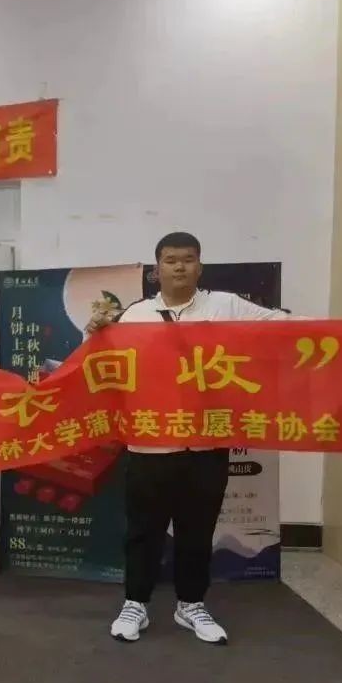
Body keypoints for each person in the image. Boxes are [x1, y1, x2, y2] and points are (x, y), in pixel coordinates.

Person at [87, 232, 292, 646]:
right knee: (143, 531)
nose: (179, 266)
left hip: (206, 444)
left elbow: (281, 326)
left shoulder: (226, 306)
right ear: (156, 269)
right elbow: (99, 367)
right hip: (149, 444)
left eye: (188, 259)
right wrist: (94, 334)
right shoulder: (135, 315)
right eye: (170, 260)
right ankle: (136, 603)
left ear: (200, 266)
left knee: (197, 530)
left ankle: (191, 604)